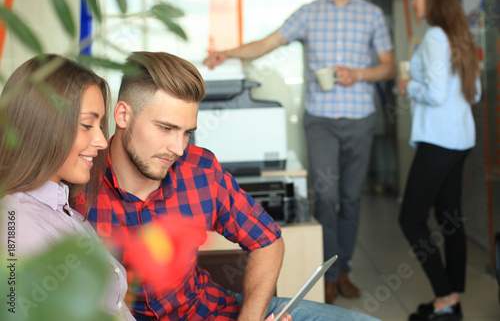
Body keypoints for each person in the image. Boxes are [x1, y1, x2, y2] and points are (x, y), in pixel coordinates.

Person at [74, 51, 380, 321]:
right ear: (123, 115)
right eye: (166, 128)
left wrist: (250, 319)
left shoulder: (199, 170)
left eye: (187, 132)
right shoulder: (77, 184)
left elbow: (268, 241)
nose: (178, 148)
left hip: (209, 310)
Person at [203, 0, 396, 303]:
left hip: (360, 118)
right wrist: (227, 52)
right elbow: (268, 43)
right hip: (320, 120)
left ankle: (345, 270)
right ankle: (329, 272)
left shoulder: (371, 15)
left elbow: (388, 66)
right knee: (325, 196)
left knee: (351, 199)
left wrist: (359, 74)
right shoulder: (309, 13)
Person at [0, 54, 134, 321]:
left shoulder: (59, 208)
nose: (101, 141)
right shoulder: (19, 225)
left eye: (99, 125)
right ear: (43, 124)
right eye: (87, 125)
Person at [397, 0, 481, 321]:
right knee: (450, 218)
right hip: (461, 139)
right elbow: (474, 93)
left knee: (411, 218)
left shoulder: (434, 36)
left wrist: (407, 85)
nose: (414, 1)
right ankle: (452, 301)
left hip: (438, 142)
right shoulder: (460, 35)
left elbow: (433, 92)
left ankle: (445, 297)